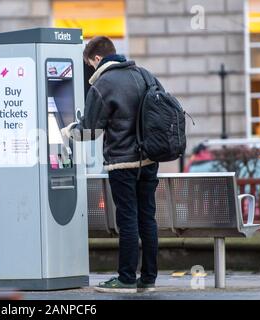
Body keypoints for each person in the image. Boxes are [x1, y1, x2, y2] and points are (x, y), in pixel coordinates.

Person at [62, 36, 161, 293]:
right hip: (149, 159)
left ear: (96, 59)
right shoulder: (145, 75)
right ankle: (148, 278)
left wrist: (68, 131)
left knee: (127, 219)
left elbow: (90, 131)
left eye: (90, 65)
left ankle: (126, 279)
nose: (92, 70)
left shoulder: (103, 84)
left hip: (122, 163)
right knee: (147, 218)